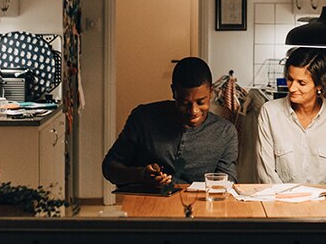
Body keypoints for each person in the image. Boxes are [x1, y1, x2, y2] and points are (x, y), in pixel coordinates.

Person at [102, 57, 237, 187]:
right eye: (184, 103)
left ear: (211, 92)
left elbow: (227, 183)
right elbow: (110, 167)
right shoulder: (143, 119)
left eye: (201, 102)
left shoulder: (225, 132)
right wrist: (140, 175)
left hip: (199, 207)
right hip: (146, 204)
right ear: (173, 92)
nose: (193, 111)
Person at [256, 47, 326, 185]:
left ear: (320, 85)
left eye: (301, 83)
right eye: (290, 79)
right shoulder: (270, 113)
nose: (292, 88)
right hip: (283, 203)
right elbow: (267, 175)